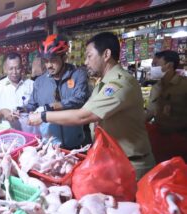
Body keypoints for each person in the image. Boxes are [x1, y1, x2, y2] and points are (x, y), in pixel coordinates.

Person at [29, 32, 155, 179]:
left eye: (89, 56)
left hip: (131, 166)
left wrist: (44, 116)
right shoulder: (101, 83)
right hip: (112, 162)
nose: (86, 62)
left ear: (106, 54)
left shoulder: (119, 84)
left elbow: (84, 115)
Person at [26, 34, 89, 148]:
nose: (49, 65)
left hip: (75, 142)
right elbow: (32, 105)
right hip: (49, 145)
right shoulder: (39, 82)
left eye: (53, 60)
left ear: (64, 58)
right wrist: (22, 110)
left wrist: (50, 107)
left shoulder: (78, 74)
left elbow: (79, 99)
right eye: (46, 61)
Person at [145, 50, 187, 162]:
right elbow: (150, 113)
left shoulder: (184, 86)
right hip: (161, 142)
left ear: (169, 65)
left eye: (156, 65)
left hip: (181, 142)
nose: (152, 68)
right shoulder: (156, 88)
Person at [0, 52, 34, 129]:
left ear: (22, 67)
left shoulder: (32, 85)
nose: (14, 72)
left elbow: (38, 107)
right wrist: (3, 112)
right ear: (5, 69)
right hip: (8, 132)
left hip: (30, 130)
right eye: (11, 68)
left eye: (17, 68)